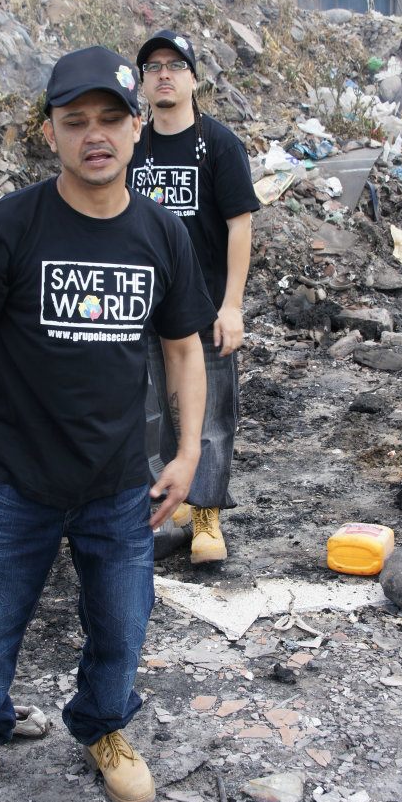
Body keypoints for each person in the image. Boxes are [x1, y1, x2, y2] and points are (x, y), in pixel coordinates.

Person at [0, 45, 216, 802]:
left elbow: (184, 350)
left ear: (135, 128)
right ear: (49, 131)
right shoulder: (10, 224)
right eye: (75, 120)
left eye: (110, 119)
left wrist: (188, 452)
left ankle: (104, 728)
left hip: (118, 483)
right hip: (17, 479)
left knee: (121, 623)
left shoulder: (161, 234)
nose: (95, 135)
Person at [129, 30, 260, 565]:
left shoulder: (220, 144)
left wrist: (232, 305)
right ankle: (166, 509)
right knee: (148, 413)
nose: (164, 74)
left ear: (193, 78)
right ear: (142, 83)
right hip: (142, 308)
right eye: (153, 67)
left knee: (209, 415)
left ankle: (206, 515)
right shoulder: (132, 145)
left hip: (203, 307)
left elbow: (239, 226)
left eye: (175, 65)